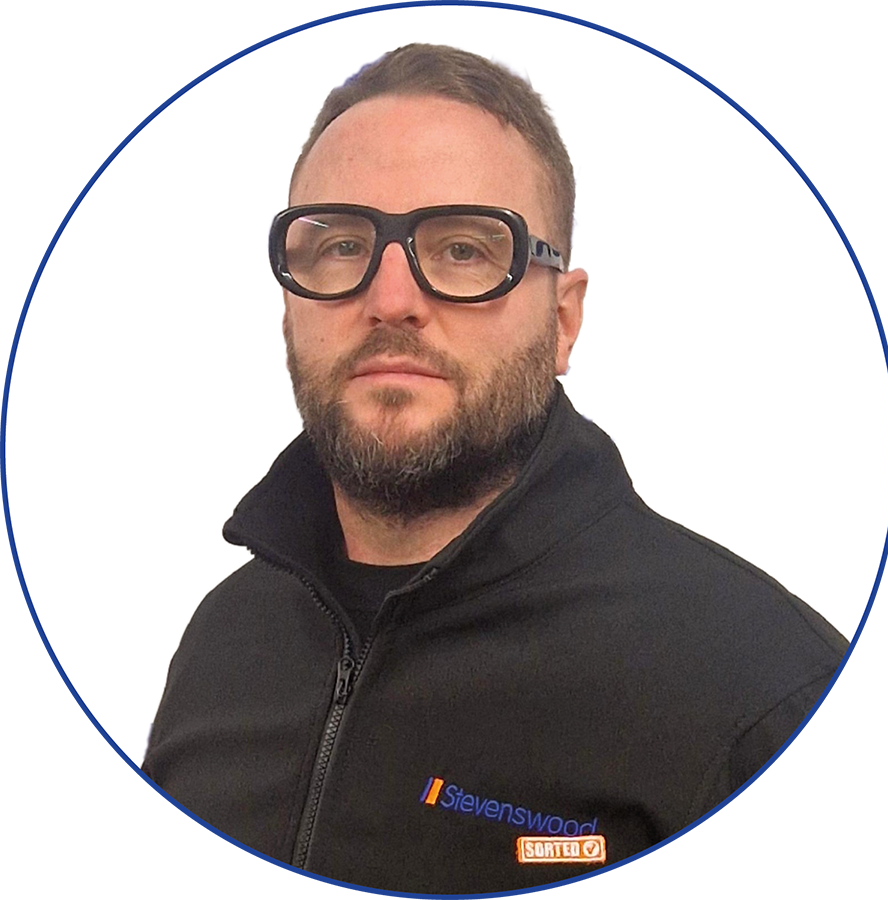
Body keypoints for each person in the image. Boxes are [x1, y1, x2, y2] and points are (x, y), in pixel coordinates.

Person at [142, 44, 848, 892]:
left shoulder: (768, 696)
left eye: (466, 249)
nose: (391, 298)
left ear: (563, 319)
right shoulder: (227, 640)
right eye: (337, 245)